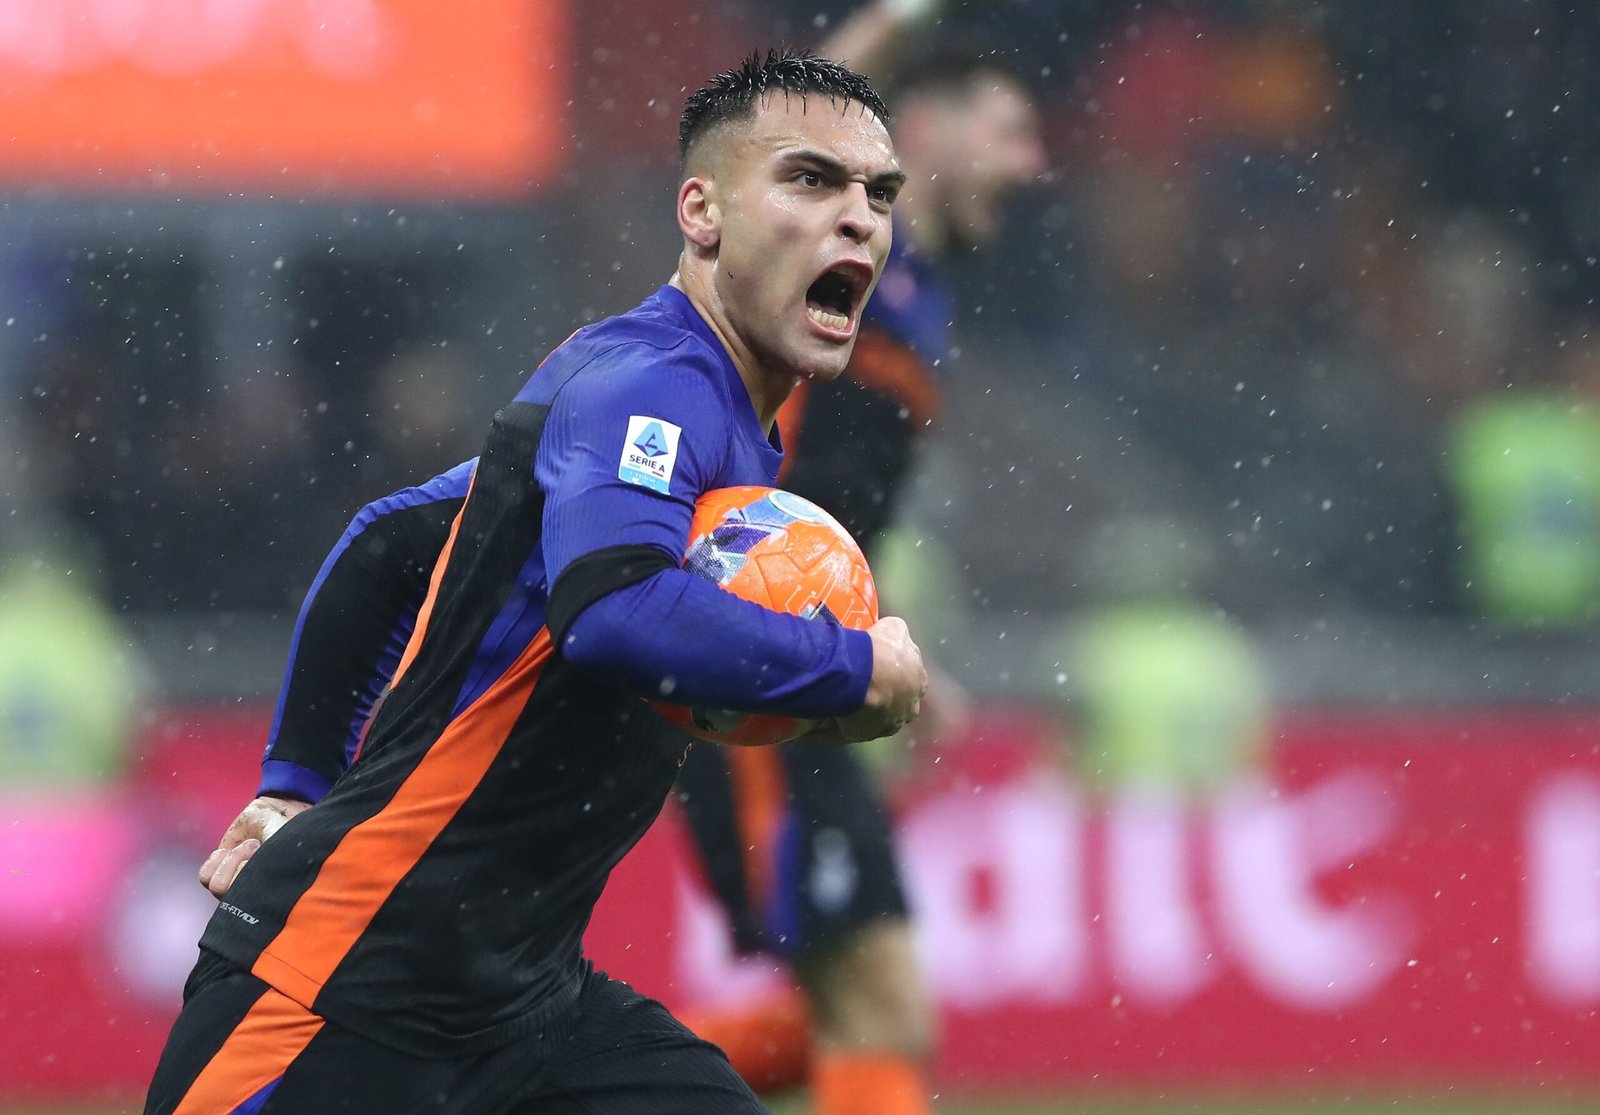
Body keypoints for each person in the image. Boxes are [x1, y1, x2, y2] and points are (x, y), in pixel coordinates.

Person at [145, 49, 927, 1115]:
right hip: (347, 988)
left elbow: (388, 541)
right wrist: (851, 668)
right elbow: (613, 611)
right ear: (701, 212)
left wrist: (294, 781)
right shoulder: (653, 384)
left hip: (524, 1007)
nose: (859, 220)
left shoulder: (692, 407)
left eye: (878, 193)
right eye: (810, 179)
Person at [671, 6, 1046, 1112]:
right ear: (918, 131)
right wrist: (897, 18)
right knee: (880, 1013)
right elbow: (769, 136)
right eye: (1007, 132)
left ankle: (543, 1088)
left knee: (849, 1018)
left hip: (804, 663)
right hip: (750, 664)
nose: (1030, 165)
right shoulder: (839, 254)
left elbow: (836, 509)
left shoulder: (915, 292)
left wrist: (889, 641)